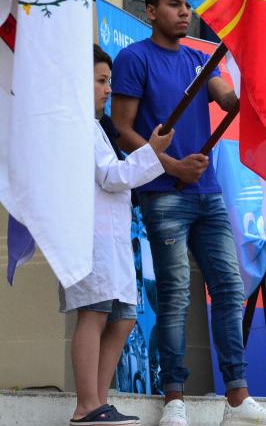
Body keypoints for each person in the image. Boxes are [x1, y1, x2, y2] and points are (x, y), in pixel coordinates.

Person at [110, 0, 266, 426]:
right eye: (173, 5)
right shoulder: (134, 58)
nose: (184, 12)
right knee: (175, 295)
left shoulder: (200, 59)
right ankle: (174, 398)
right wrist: (170, 166)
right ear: (151, 11)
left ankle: (237, 398)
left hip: (207, 193)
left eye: (187, 5)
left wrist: (255, 81)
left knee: (229, 288)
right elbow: (122, 128)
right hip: (164, 194)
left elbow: (229, 99)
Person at [63, 44, 172, 426]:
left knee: (124, 317)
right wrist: (152, 153)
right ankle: (86, 405)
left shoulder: (95, 128)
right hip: (89, 237)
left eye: (109, 81)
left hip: (112, 238)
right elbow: (111, 177)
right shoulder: (76, 125)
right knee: (93, 312)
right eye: (101, 81)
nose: (109, 89)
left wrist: (148, 157)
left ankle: (99, 402)